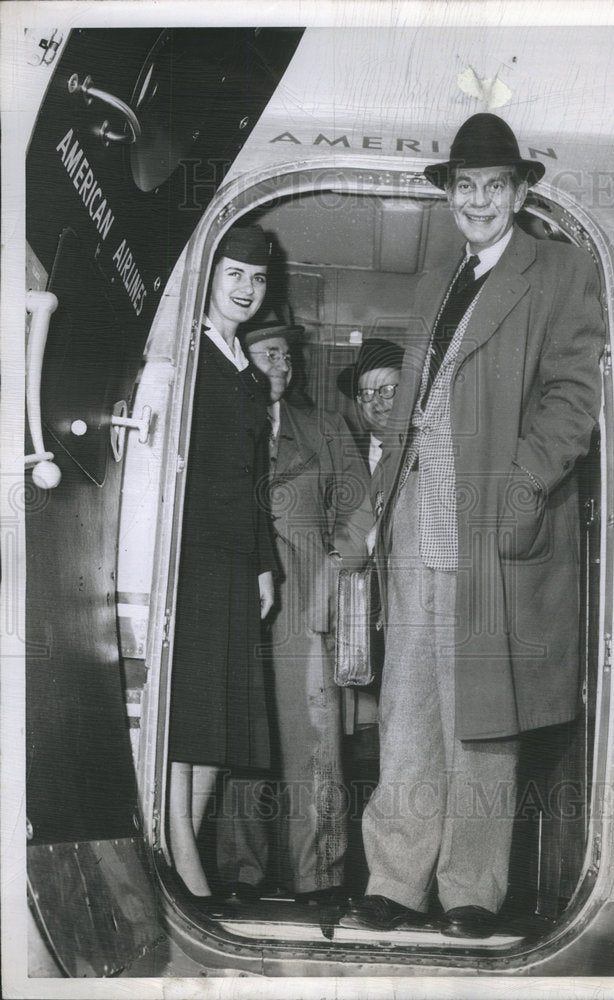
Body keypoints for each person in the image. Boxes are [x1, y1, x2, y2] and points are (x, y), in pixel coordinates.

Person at [346, 113, 606, 938]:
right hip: (418, 519)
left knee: (483, 718)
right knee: (410, 705)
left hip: (492, 526)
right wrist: (370, 512)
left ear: (521, 191)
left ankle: (469, 890)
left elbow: (572, 401)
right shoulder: (437, 279)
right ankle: (394, 879)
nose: (480, 201)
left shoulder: (561, 271)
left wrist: (519, 491)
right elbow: (412, 415)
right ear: (450, 195)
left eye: (496, 186)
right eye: (466, 187)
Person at [217, 320, 364, 903]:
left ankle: (320, 876)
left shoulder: (325, 428)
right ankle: (238, 875)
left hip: (305, 599)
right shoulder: (220, 423)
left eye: (286, 355)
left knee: (314, 739)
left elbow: (359, 509)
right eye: (267, 353)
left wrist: (334, 567)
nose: (281, 365)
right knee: (238, 738)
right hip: (233, 597)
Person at [167, 225, 276, 899]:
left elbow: (254, 481)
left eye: (257, 278)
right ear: (209, 277)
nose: (244, 288)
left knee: (222, 717)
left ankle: (184, 857)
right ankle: (183, 864)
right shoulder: (189, 353)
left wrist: (263, 564)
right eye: (233, 273)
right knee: (189, 715)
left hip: (235, 559)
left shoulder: (244, 366)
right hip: (194, 554)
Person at [334, 338, 404, 733]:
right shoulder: (343, 446)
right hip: (359, 600)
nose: (375, 401)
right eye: (365, 394)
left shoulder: (428, 447)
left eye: (387, 390)